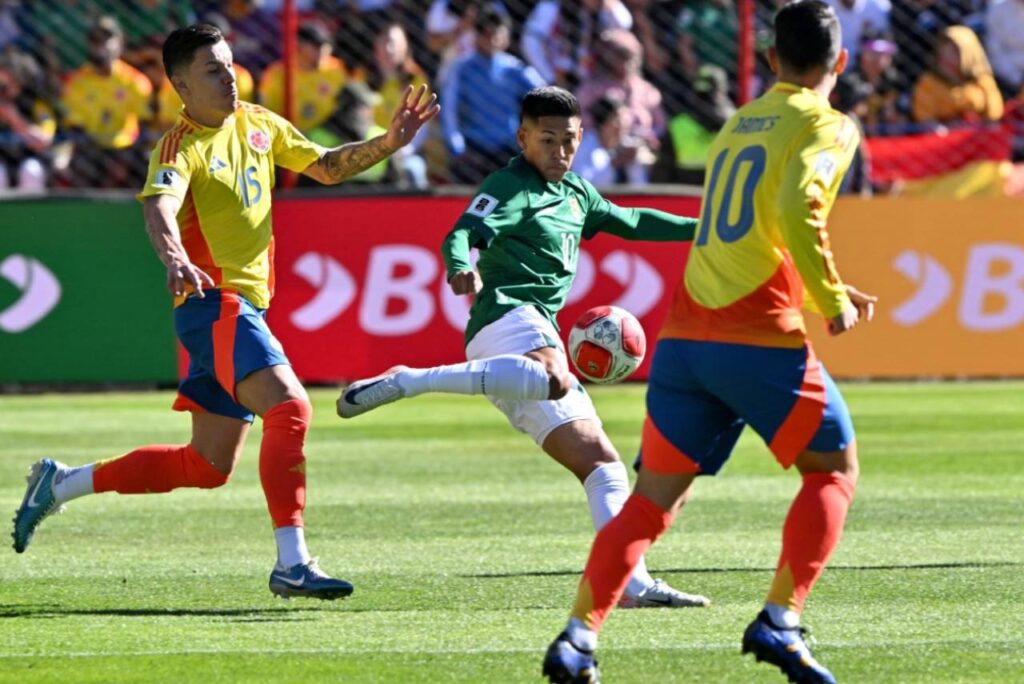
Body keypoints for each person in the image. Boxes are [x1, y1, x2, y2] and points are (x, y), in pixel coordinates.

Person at [12, 23, 439, 601]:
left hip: (238, 309)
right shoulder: (178, 146)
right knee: (290, 408)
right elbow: (159, 209)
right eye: (213, 70)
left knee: (206, 466)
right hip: (215, 301)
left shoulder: (259, 123)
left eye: (230, 64)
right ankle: (293, 562)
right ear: (181, 86)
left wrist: (389, 143)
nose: (229, 77)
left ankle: (60, 485)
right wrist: (174, 257)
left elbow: (327, 167)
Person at [541, 3, 878, 683]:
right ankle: (780, 622)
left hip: (686, 339)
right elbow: (794, 211)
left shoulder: (737, 125)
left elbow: (748, 232)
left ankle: (577, 638)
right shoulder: (829, 123)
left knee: (650, 502)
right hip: (754, 335)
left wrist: (825, 289)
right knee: (833, 470)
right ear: (839, 64)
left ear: (773, 59)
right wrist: (832, 302)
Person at [337, 86, 709, 611]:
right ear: (523, 138)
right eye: (548, 139)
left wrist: (708, 230)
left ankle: (632, 584)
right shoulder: (510, 185)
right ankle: (408, 379)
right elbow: (464, 231)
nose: (559, 151)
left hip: (536, 339)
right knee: (556, 375)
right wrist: (461, 265)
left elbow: (632, 221)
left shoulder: (578, 194)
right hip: (507, 319)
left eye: (569, 141)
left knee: (602, 464)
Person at [441, 3, 546, 184]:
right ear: (476, 36)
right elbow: (449, 110)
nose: (491, 39)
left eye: (497, 33)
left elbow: (545, 94)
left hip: (508, 148)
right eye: (485, 33)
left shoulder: (515, 69)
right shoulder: (461, 68)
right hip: (472, 150)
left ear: (506, 37)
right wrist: (457, 147)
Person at [61, 16, 153, 188]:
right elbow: (76, 128)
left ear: (120, 42)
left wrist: (128, 154)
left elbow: (145, 126)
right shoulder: (76, 82)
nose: (101, 44)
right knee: (81, 164)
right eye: (95, 39)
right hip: (92, 148)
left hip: (127, 148)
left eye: (107, 38)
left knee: (147, 162)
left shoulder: (135, 81)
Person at [911, 25, 1003, 125]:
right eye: (943, 48)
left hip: (978, 136)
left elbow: (994, 115)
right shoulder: (928, 82)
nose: (945, 55)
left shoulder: (983, 81)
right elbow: (925, 119)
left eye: (955, 50)